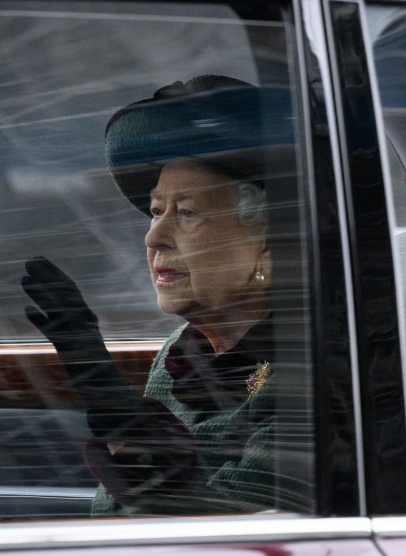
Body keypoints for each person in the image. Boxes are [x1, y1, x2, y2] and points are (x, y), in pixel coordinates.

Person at [22, 75, 293, 515]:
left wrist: (111, 402)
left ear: (267, 240)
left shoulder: (311, 367)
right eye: (155, 211)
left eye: (187, 213)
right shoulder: (181, 354)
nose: (154, 236)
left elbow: (215, 529)